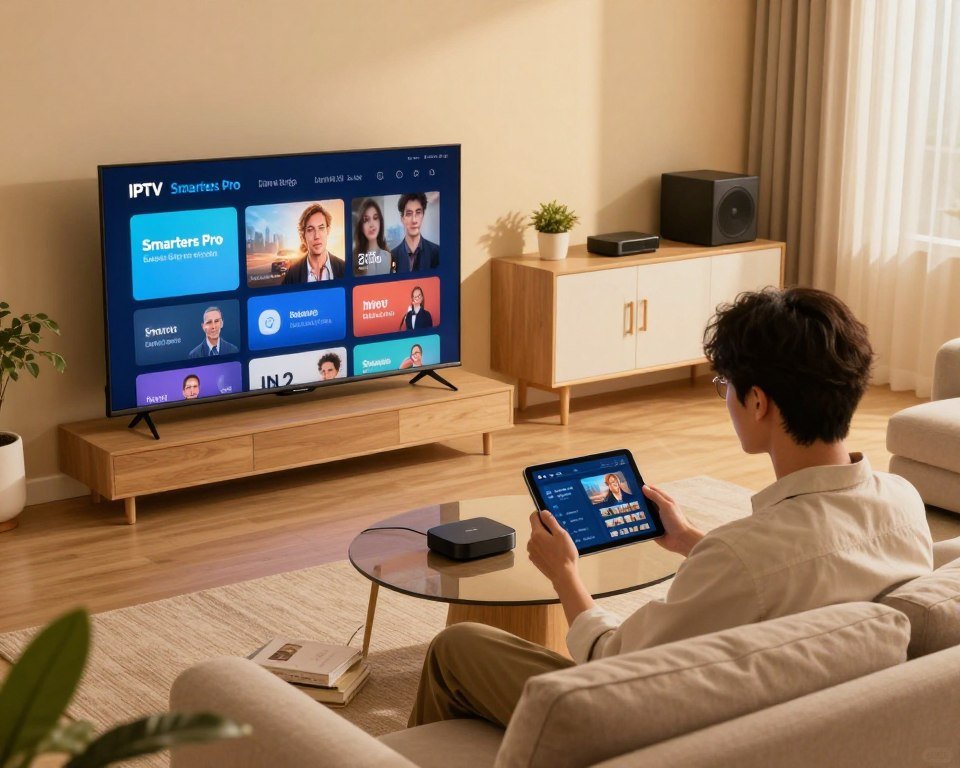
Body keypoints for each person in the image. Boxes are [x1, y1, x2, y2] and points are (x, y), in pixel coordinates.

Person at [409, 287, 933, 729]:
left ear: (758, 402)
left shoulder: (741, 558)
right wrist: (689, 541)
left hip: (655, 732)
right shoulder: (903, 503)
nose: (726, 399)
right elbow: (795, 572)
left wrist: (565, 574)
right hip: (800, 724)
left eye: (726, 386)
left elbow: (613, 663)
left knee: (458, 647)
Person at [284, 203, 346, 284]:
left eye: (321, 228)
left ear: (328, 231)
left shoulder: (344, 268)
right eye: (310, 230)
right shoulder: (292, 274)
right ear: (303, 236)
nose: (317, 236)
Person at [390, 193, 439, 273]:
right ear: (402, 219)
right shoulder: (392, 256)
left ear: (423, 216)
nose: (414, 220)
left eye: (418, 213)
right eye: (409, 214)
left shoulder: (437, 252)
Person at [352, 199, 392, 276]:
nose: (371, 224)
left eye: (375, 218)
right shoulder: (354, 258)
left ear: (380, 222)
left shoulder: (388, 256)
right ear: (361, 226)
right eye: (366, 220)